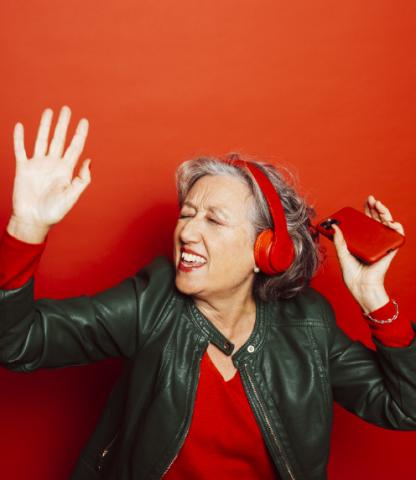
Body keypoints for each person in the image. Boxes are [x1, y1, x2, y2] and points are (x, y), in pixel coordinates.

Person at [0, 106, 415, 480]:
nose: (188, 231)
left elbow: (406, 407)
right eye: (187, 214)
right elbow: (17, 343)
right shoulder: (153, 301)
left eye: (214, 221)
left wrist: (373, 296)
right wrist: (28, 228)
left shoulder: (308, 324)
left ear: (266, 252)